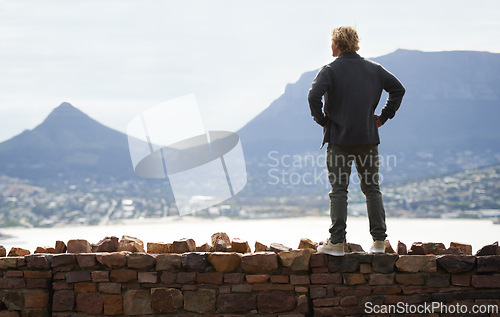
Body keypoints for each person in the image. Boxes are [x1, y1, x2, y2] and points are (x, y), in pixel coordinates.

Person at [308, 26, 405, 256]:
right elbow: (398, 89)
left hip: (339, 139)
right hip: (368, 138)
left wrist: (322, 120)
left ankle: (337, 243)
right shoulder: (374, 69)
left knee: (339, 191)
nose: (330, 46)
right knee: (372, 189)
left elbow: (313, 96)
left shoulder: (329, 70)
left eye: (332, 42)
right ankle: (379, 242)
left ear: (338, 44)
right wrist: (383, 117)